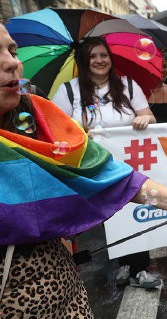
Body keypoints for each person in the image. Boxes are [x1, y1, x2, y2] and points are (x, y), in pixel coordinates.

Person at [0, 22, 167, 319]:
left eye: (12, 51)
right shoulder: (68, 93)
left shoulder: (39, 116)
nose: (12, 63)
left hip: (60, 305)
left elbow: (113, 174)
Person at [52, 36, 161, 287]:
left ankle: (139, 268)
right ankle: (123, 264)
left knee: (134, 211)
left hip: (130, 165)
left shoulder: (128, 86)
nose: (99, 61)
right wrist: (78, 133)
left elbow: (149, 116)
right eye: (92, 56)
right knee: (109, 216)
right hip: (92, 168)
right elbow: (57, 129)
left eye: (103, 55)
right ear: (83, 61)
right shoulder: (68, 91)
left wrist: (145, 119)